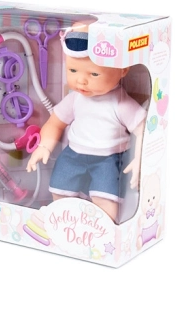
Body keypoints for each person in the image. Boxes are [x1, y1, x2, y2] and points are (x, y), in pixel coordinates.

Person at [26, 22, 147, 222]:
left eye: (94, 74)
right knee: (60, 193)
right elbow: (55, 123)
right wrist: (44, 146)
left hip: (109, 160)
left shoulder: (120, 103)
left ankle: (103, 230)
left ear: (123, 69)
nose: (81, 81)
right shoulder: (75, 99)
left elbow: (144, 130)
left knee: (106, 201)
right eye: (73, 70)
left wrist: (140, 159)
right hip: (73, 155)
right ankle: (64, 225)